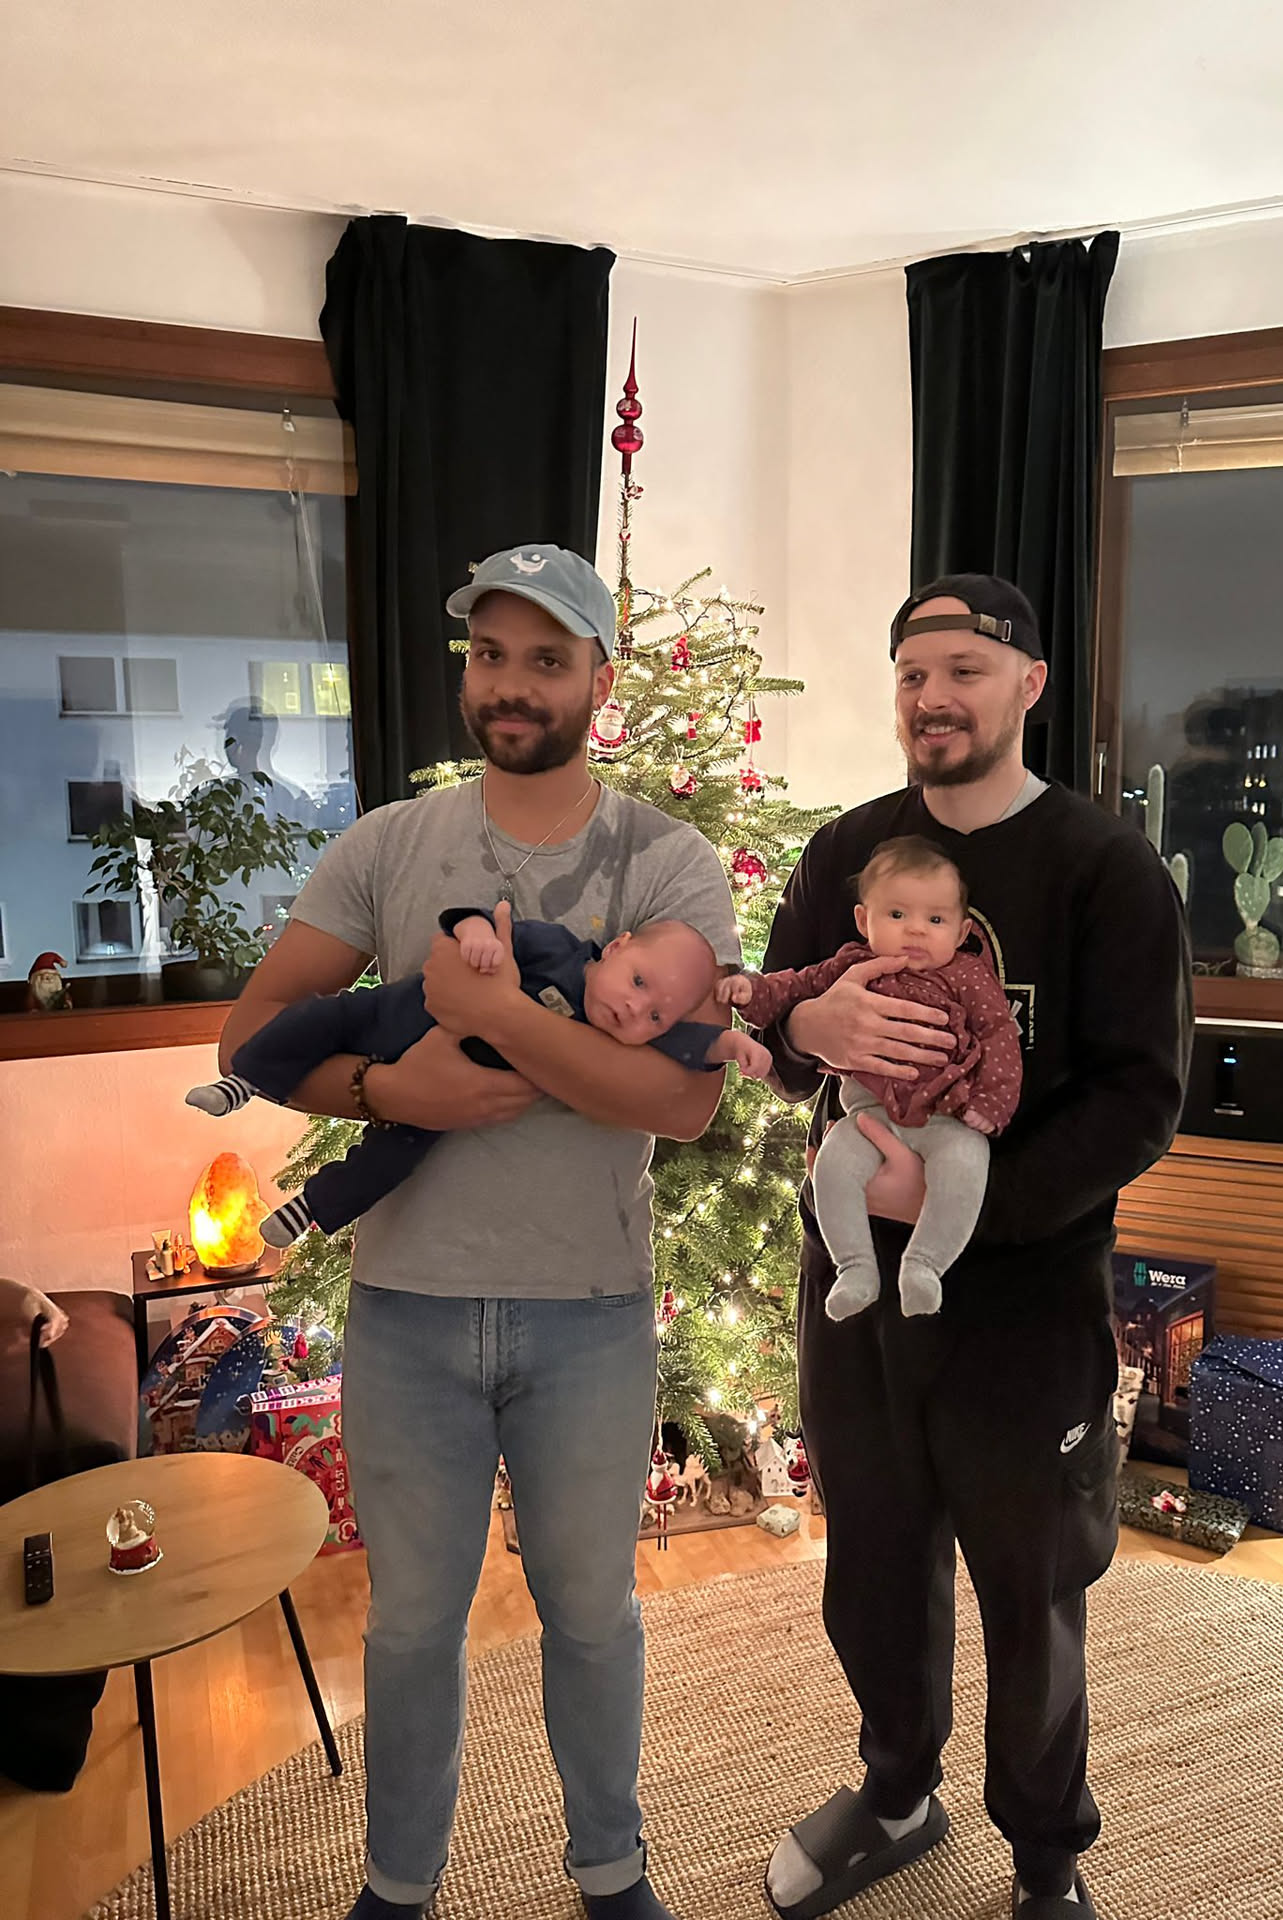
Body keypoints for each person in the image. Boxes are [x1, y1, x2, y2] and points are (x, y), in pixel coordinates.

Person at [218, 543, 743, 1920]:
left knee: (592, 1615)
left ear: (599, 683)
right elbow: (251, 1036)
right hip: (407, 1309)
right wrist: (395, 1091)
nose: (512, 684)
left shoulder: (670, 863)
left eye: (546, 659)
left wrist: (501, 1018)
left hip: (591, 1314)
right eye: (491, 655)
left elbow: (684, 1102)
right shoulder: (388, 847)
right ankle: (398, 1888)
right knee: (408, 1627)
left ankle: (611, 1871)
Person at [754, 574, 1191, 1920]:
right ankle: (897, 1791)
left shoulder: (1104, 869)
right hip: (861, 1300)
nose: (933, 698)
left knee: (1031, 1583)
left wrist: (964, 1211)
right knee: (876, 1565)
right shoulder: (847, 854)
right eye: (912, 675)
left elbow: (1140, 1097)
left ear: (1029, 685)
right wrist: (806, 1029)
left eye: (964, 670)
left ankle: (1046, 1857)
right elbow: (773, 1030)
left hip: (1024, 1300)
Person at [189, 910, 769, 1245]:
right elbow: (475, 919)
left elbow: (687, 1051)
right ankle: (245, 1084)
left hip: (445, 1101)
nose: (635, 1009)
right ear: (616, 948)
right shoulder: (558, 950)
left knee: (392, 1157)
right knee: (320, 1019)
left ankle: (310, 1210)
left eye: (656, 1016)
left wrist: (731, 1044)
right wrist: (478, 937)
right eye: (638, 982)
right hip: (391, 1015)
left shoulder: (619, 1031)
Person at [720, 836, 1020, 1319]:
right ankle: (855, 1267)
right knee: (833, 1166)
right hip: (866, 1116)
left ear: (962, 930)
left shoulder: (968, 976)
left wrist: (991, 1103)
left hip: (947, 1115)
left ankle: (925, 1265)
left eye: (935, 920)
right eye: (897, 915)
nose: (916, 930)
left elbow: (999, 1034)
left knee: (967, 1164)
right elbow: (795, 985)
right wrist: (751, 992)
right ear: (864, 920)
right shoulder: (852, 964)